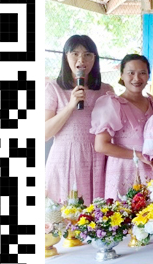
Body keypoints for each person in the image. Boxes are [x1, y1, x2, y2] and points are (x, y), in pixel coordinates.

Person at [44, 35, 114, 202]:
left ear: (95, 59)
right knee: (66, 212)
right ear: (66, 57)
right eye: (75, 54)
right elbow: (44, 134)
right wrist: (70, 105)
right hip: (65, 158)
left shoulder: (106, 90)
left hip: (98, 158)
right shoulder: (53, 88)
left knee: (96, 212)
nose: (81, 59)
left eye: (87, 54)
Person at [93, 54, 153, 198]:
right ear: (122, 75)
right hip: (123, 171)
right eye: (131, 73)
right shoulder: (112, 104)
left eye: (142, 73)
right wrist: (139, 155)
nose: (136, 78)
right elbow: (101, 146)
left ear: (148, 75)